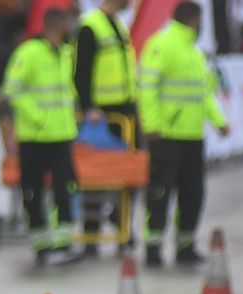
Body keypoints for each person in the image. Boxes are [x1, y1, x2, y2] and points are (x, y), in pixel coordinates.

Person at [139, 0, 229, 267]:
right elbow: (147, 88)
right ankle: (153, 248)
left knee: (193, 193)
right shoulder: (161, 44)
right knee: (160, 193)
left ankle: (185, 245)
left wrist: (219, 121)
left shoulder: (194, 53)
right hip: (165, 136)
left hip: (192, 135)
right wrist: (152, 124)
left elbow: (203, 95)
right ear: (193, 20)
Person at [3, 7, 80, 265]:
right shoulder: (28, 53)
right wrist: (39, 117)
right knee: (32, 191)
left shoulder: (66, 53)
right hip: (34, 136)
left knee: (64, 188)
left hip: (62, 134)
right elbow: (12, 89)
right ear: (57, 25)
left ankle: (62, 241)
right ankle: (41, 243)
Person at [75, 0, 138, 253]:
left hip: (125, 111)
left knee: (130, 173)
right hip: (101, 115)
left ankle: (121, 222)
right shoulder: (90, 26)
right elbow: (81, 71)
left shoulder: (118, 24)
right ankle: (92, 231)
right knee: (96, 175)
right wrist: (88, 106)